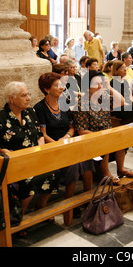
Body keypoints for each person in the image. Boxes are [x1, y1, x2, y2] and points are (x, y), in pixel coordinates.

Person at [35, 73, 94, 221]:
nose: (61, 87)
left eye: (61, 84)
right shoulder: (40, 108)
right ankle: (69, 202)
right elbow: (42, 133)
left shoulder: (65, 103)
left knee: (87, 159)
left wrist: (66, 138)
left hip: (67, 142)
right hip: (51, 146)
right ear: (46, 89)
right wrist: (57, 144)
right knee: (73, 164)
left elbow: (72, 127)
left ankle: (88, 198)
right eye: (57, 85)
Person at [0, 82, 59, 215]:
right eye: (24, 95)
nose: (28, 98)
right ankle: (20, 215)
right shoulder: (0, 117)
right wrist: (20, 159)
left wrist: (40, 151)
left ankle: (41, 205)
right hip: (15, 162)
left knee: (54, 170)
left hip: (34, 157)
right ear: (11, 98)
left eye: (28, 94)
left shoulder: (30, 112)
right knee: (28, 180)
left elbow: (39, 135)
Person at [72, 70, 133, 184]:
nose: (100, 87)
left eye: (101, 83)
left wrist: (109, 87)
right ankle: (106, 173)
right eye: (96, 84)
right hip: (92, 137)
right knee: (106, 140)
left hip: (107, 133)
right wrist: (103, 135)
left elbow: (121, 101)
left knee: (122, 137)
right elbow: (82, 131)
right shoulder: (81, 104)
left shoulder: (102, 98)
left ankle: (120, 169)